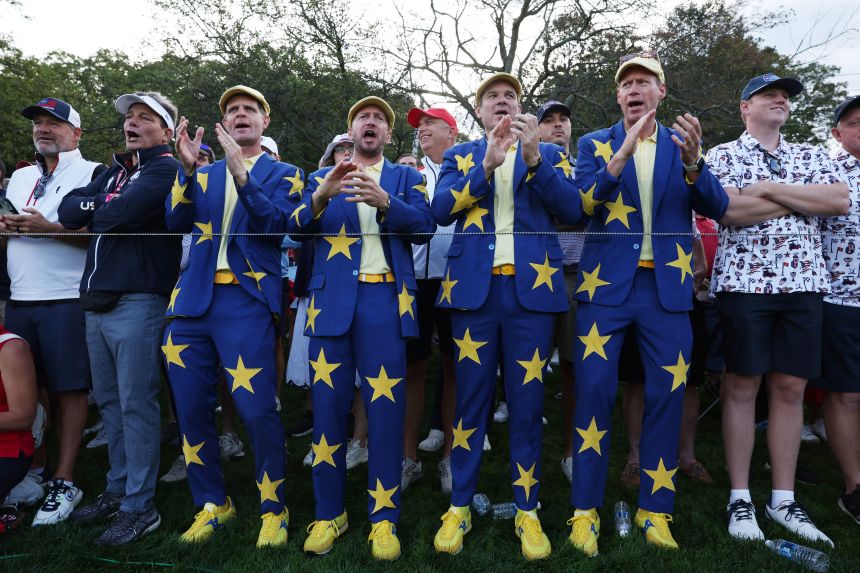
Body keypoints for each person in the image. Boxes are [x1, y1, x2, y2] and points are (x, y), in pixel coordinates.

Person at [569, 51, 729, 555]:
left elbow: (718, 207)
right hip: (604, 291)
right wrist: (621, 154)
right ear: (619, 96)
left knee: (667, 396)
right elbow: (582, 205)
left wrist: (694, 163)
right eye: (626, 84)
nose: (634, 89)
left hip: (666, 292)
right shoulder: (594, 143)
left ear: (661, 91)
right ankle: (584, 510)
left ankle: (655, 510)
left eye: (644, 81)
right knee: (593, 393)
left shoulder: (683, 146)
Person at [431, 73, 581, 561]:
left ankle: (527, 508)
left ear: (521, 108)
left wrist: (533, 159)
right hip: (474, 295)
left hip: (530, 297)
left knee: (527, 403)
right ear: (478, 111)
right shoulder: (460, 155)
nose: (501, 101)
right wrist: (486, 167)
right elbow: (440, 210)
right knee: (470, 403)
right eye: (492, 96)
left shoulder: (549, 152)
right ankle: (459, 505)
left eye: (510, 96)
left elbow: (573, 210)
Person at [286, 96, 434, 560]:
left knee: (386, 415)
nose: (371, 122)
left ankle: (384, 517)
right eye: (362, 117)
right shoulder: (321, 178)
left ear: (388, 134)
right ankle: (329, 514)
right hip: (330, 304)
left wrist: (386, 201)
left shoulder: (407, 178)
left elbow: (425, 228)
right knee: (328, 413)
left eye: (379, 119)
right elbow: (292, 230)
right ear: (351, 132)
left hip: (385, 303)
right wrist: (321, 197)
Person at [707, 73, 848, 546]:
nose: (780, 100)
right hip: (744, 285)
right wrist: (799, 199)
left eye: (785, 96)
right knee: (742, 388)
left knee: (790, 389)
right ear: (745, 107)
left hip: (804, 285)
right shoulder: (722, 155)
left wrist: (766, 188)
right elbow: (728, 211)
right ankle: (740, 496)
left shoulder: (812, 154)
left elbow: (838, 201)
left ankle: (783, 500)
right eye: (769, 94)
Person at [162, 85, 298, 548]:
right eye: (232, 110)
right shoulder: (202, 174)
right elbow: (174, 221)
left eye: (249, 109)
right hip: (191, 302)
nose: (240, 114)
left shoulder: (285, 173)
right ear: (224, 123)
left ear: (264, 121)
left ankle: (273, 508)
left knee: (257, 409)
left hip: (246, 300)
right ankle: (212, 504)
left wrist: (242, 174)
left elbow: (276, 227)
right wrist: (185, 171)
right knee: (190, 409)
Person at [57, 91, 182, 545]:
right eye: (130, 117)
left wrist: (100, 208)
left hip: (138, 299)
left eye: (145, 117)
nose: (132, 123)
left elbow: (116, 214)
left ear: (166, 131)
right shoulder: (114, 172)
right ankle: (118, 489)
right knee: (110, 402)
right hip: (98, 299)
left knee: (136, 404)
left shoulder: (166, 168)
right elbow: (68, 211)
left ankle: (139, 507)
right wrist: (104, 204)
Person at [0, 97, 100, 527]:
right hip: (20, 296)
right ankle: (34, 470)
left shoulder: (94, 172)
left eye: (53, 123)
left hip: (66, 296)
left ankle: (64, 478)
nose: (43, 129)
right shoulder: (22, 175)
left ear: (76, 133)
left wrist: (51, 230)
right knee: (28, 392)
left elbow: (100, 235)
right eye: (38, 123)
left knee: (69, 389)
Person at [402, 107, 459, 493]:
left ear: (451, 132)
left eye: (429, 123)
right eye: (418, 125)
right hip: (415, 283)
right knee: (412, 369)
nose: (421, 128)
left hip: (459, 281)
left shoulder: (469, 168)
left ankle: (451, 459)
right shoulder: (410, 174)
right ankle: (409, 459)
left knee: (456, 369)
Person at [814, 94, 860, 525]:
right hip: (841, 299)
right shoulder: (826, 172)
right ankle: (854, 487)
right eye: (856, 123)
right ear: (837, 133)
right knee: (847, 394)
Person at [535, 99, 581, 483]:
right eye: (548, 120)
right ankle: (526, 456)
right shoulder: (527, 165)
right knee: (526, 368)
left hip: (576, 276)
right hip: (533, 275)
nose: (557, 125)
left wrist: (565, 212)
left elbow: (582, 213)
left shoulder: (585, 166)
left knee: (572, 368)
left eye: (563, 119)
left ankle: (571, 452)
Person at [0, 325, 37, 534]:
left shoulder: (11, 348)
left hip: (7, 449)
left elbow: (23, 417)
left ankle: (12, 491)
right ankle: (13, 493)